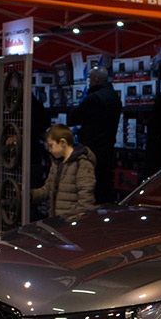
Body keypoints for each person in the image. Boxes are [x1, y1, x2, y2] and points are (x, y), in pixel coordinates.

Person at [70, 66, 121, 203]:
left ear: (96, 80)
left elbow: (74, 117)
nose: (89, 82)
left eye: (91, 79)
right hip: (108, 146)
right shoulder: (114, 97)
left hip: (91, 147)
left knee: (90, 184)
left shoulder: (93, 98)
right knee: (104, 182)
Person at [31, 124, 97, 217]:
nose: (49, 150)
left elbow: (86, 197)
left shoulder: (82, 163)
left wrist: (77, 218)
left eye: (51, 145)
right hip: (58, 220)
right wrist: (32, 195)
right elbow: (49, 189)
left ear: (63, 142)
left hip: (70, 221)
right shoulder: (57, 163)